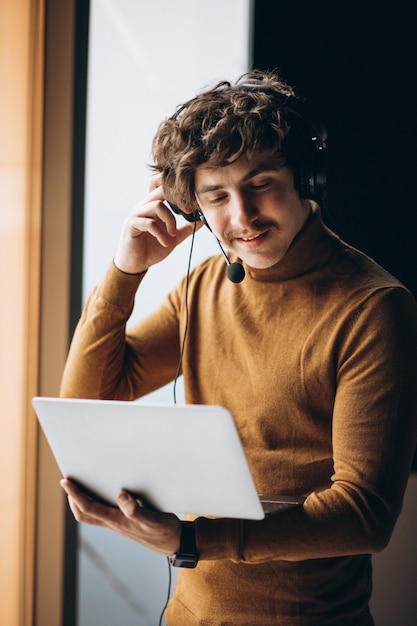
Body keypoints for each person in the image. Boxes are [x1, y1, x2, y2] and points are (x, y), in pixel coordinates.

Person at [60, 69, 417, 625]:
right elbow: (88, 400)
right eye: (216, 197)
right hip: (190, 613)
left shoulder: (373, 307)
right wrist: (124, 272)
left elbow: (365, 514)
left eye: (260, 184)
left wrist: (191, 541)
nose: (242, 218)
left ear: (306, 177)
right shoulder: (204, 284)